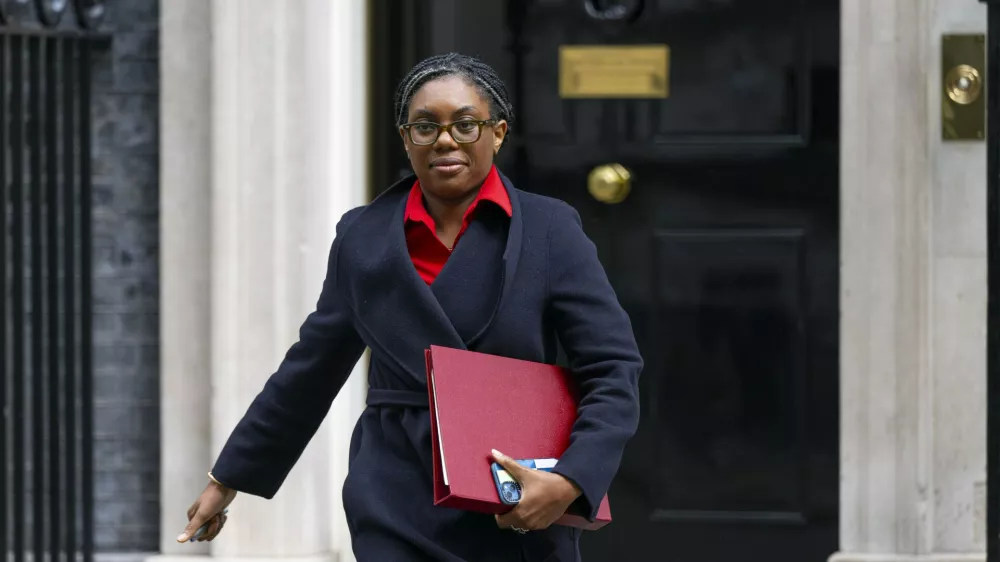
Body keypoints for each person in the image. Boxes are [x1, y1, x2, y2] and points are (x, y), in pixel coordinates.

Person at [176, 52, 643, 562]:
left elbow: (612, 368)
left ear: (499, 132)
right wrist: (228, 478)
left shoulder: (550, 230)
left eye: (466, 125)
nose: (445, 140)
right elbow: (310, 370)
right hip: (394, 492)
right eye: (425, 127)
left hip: (515, 490)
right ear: (405, 138)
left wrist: (571, 480)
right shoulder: (363, 237)